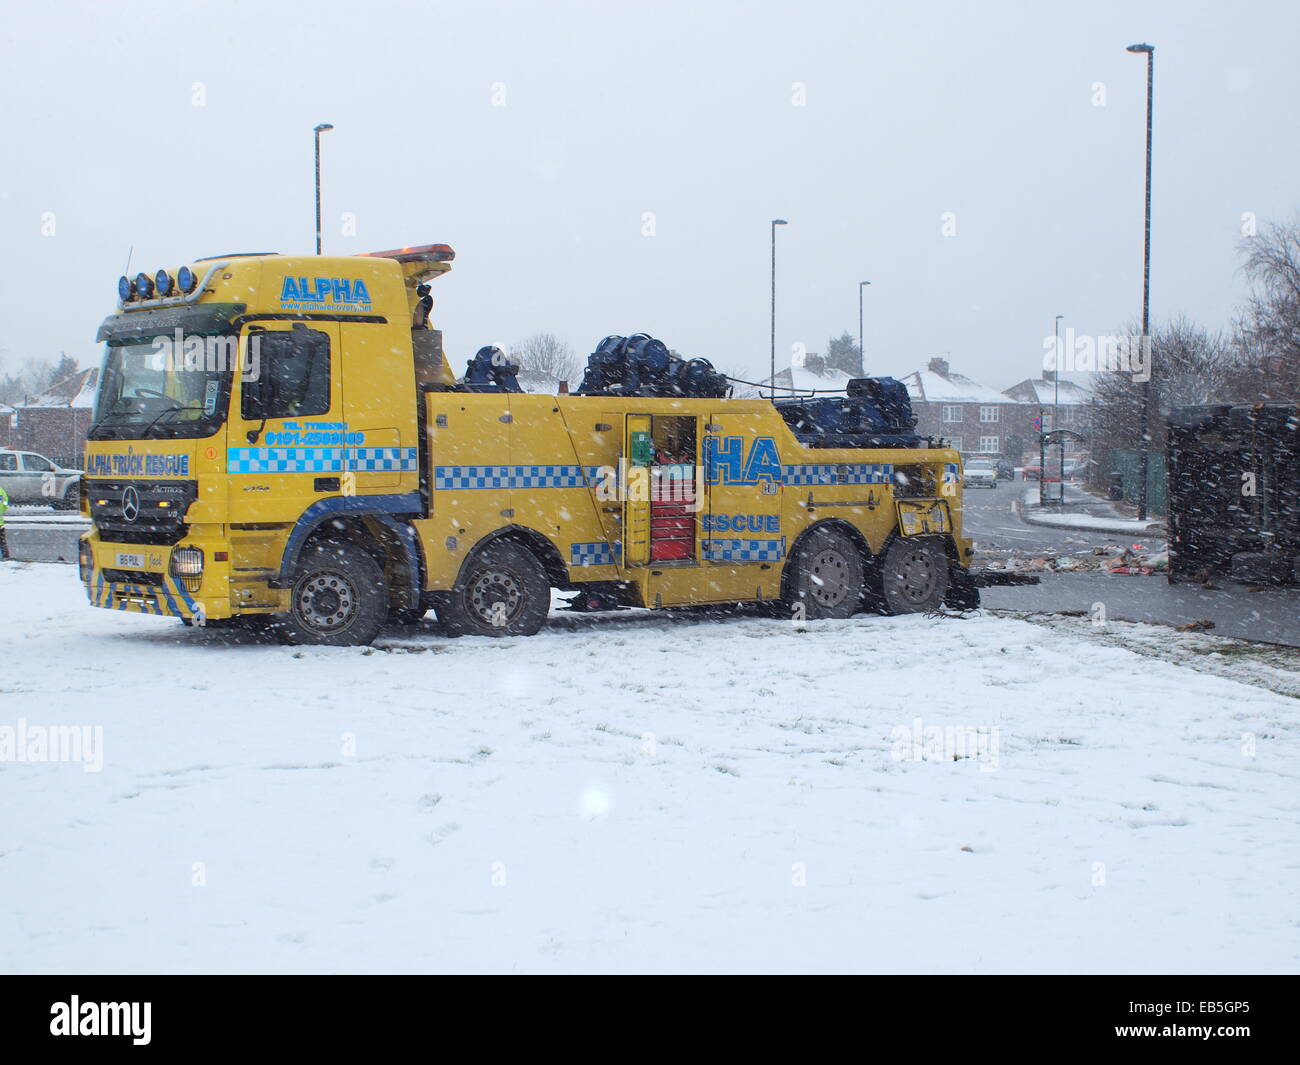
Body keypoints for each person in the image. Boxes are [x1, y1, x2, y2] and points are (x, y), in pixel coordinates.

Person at [0, 483, 9, 560]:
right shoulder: (2, 491)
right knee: (2, 542)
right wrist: (2, 509)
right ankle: (6, 556)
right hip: (0, 522)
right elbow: (6, 503)